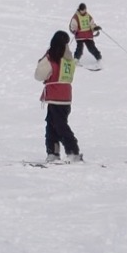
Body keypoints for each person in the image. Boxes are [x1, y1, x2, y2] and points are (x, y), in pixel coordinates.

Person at [35, 31, 82, 163]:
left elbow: (39, 75)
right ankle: (54, 152)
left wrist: (42, 60)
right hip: (66, 97)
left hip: (54, 96)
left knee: (58, 126)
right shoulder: (69, 59)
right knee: (54, 124)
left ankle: (71, 152)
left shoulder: (51, 57)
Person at [69, 3, 102, 68]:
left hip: (88, 35)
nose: (83, 12)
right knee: (79, 48)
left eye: (84, 10)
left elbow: (92, 24)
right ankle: (76, 59)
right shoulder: (76, 17)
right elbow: (72, 26)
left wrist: (95, 28)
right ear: (79, 10)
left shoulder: (88, 16)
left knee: (92, 48)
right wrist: (74, 31)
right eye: (82, 10)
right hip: (80, 36)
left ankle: (99, 58)